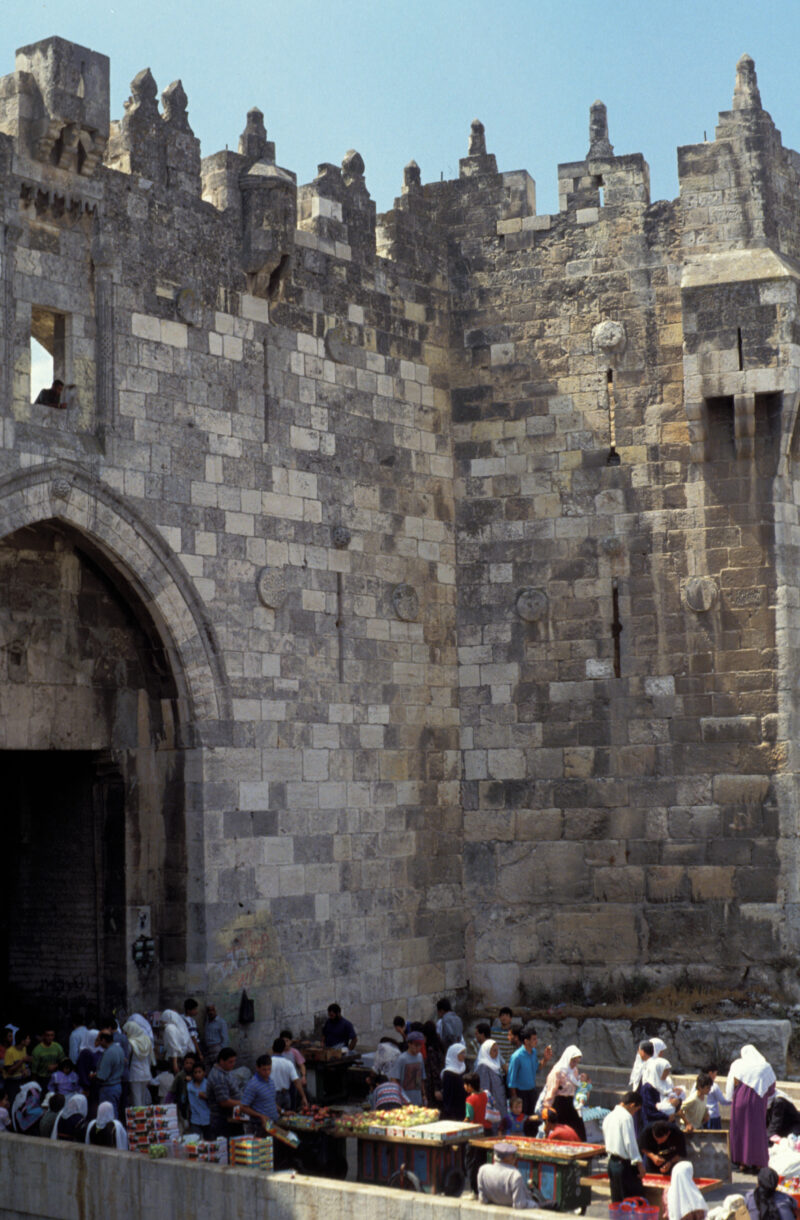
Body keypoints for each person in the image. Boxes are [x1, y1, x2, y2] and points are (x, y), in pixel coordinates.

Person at [725, 1045, 777, 1172]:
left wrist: (730, 1097)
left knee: (740, 1131)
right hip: (757, 1102)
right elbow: (771, 1088)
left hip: (740, 1101)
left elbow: (730, 1085)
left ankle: (742, 1163)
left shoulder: (738, 1064)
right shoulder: (765, 1066)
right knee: (756, 1132)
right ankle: (759, 1164)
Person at [539, 1044, 587, 1141]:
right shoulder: (557, 1071)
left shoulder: (574, 1071)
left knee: (578, 1129)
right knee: (558, 1130)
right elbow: (551, 1091)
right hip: (559, 1103)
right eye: (573, 1061)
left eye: (576, 1062)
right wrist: (547, 1107)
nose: (574, 1064)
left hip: (570, 1103)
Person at [603, 1091, 643, 1202]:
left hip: (612, 1163)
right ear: (632, 1105)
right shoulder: (626, 1117)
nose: (634, 1113)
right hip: (624, 1165)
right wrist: (639, 1164)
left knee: (617, 1200)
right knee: (631, 1201)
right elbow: (630, 1143)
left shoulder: (609, 1116)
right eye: (636, 1110)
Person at [477, 1141, 539, 1208]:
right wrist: (535, 1205)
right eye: (513, 1156)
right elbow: (519, 1205)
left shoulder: (483, 1170)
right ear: (507, 1158)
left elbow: (482, 1199)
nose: (515, 1158)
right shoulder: (515, 1175)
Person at [507, 1025, 552, 1116]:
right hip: (520, 1093)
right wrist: (515, 1099)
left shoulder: (533, 1052)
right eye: (534, 1039)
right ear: (526, 1041)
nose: (536, 1041)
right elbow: (511, 1081)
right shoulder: (516, 1057)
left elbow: (537, 1068)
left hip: (532, 1091)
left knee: (532, 1118)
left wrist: (545, 1059)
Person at [206, 1047, 242, 1138]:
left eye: (234, 1061)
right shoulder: (218, 1077)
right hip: (222, 1120)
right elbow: (224, 1102)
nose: (233, 1064)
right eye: (230, 1062)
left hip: (231, 1117)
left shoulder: (225, 1072)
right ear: (221, 1061)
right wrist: (244, 1104)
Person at [240, 1055, 280, 1130]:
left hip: (272, 1125)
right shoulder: (253, 1085)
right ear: (257, 1068)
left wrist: (282, 1111)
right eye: (264, 1070)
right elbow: (243, 1107)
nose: (267, 1072)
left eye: (269, 1069)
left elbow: (270, 1101)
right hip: (259, 1126)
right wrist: (260, 1116)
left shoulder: (270, 1081)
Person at [123, 1016, 155, 1106]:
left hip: (135, 1073)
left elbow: (127, 1058)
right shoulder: (147, 1041)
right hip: (146, 1073)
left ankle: (138, 1118)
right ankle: (144, 1117)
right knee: (143, 1098)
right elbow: (150, 1059)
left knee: (136, 1098)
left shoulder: (131, 1042)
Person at [389, 1030, 426, 1105]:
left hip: (418, 1099)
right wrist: (402, 1096)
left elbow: (421, 1078)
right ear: (409, 1044)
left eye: (420, 1045)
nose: (418, 1048)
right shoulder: (402, 1059)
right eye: (416, 1045)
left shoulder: (420, 1057)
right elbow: (394, 1080)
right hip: (404, 1100)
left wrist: (424, 1095)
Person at [270, 1037, 307, 1109]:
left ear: (272, 1048)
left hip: (273, 1095)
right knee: (287, 1117)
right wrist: (303, 1096)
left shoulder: (268, 1063)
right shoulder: (288, 1063)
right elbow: (296, 1081)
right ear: (283, 1049)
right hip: (286, 1094)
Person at [95, 1030, 125, 1117]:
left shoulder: (109, 1053)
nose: (99, 1043)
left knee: (108, 1114)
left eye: (99, 1040)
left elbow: (102, 1076)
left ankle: (112, 1130)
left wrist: (94, 1076)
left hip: (108, 1088)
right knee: (114, 1110)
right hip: (117, 1086)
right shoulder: (119, 1049)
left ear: (103, 1040)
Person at [641, 1054, 677, 1127]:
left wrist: (677, 1102)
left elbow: (673, 1100)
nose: (667, 1073)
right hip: (654, 1125)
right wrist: (666, 1117)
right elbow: (649, 1110)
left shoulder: (666, 1084)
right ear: (658, 1070)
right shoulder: (648, 1088)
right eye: (665, 1071)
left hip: (669, 1123)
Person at [476, 1037, 507, 1119]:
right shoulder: (483, 1067)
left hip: (500, 1101)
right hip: (492, 1104)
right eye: (494, 1050)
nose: (497, 1053)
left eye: (497, 1050)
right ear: (486, 1051)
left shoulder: (495, 1065)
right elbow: (484, 1089)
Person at [3, 1029, 32, 1103]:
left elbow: (22, 1066)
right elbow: (9, 1071)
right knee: (13, 1103)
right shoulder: (10, 1052)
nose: (29, 1040)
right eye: (27, 1038)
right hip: (12, 1083)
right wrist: (22, 1061)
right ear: (22, 1041)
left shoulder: (24, 1049)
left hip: (21, 1081)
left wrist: (25, 1070)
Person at [441, 1042, 467, 1120]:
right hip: (454, 1111)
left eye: (464, 1053)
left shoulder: (464, 1067)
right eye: (461, 1053)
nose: (464, 1055)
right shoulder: (448, 1073)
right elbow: (448, 1096)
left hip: (464, 1106)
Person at [422, 1021, 445, 1106]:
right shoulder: (439, 1044)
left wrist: (436, 1089)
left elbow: (434, 1070)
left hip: (433, 1085)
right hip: (439, 1082)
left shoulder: (431, 1050)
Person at [170, 1052, 197, 1124]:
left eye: (191, 1063)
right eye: (186, 1063)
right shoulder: (180, 1075)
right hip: (182, 1102)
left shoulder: (197, 1075)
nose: (188, 1065)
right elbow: (172, 1091)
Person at [187, 1062, 211, 1137]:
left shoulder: (208, 1084)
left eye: (199, 1072)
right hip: (195, 1118)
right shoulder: (189, 1085)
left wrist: (206, 1096)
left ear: (204, 1073)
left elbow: (214, 1099)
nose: (197, 1074)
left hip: (207, 1118)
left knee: (209, 1140)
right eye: (195, 1072)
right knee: (195, 1140)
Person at [702, 1066, 726, 1130]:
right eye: (715, 1073)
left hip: (702, 1116)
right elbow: (723, 1101)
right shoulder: (714, 1086)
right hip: (713, 1117)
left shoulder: (697, 1084)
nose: (716, 1076)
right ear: (710, 1073)